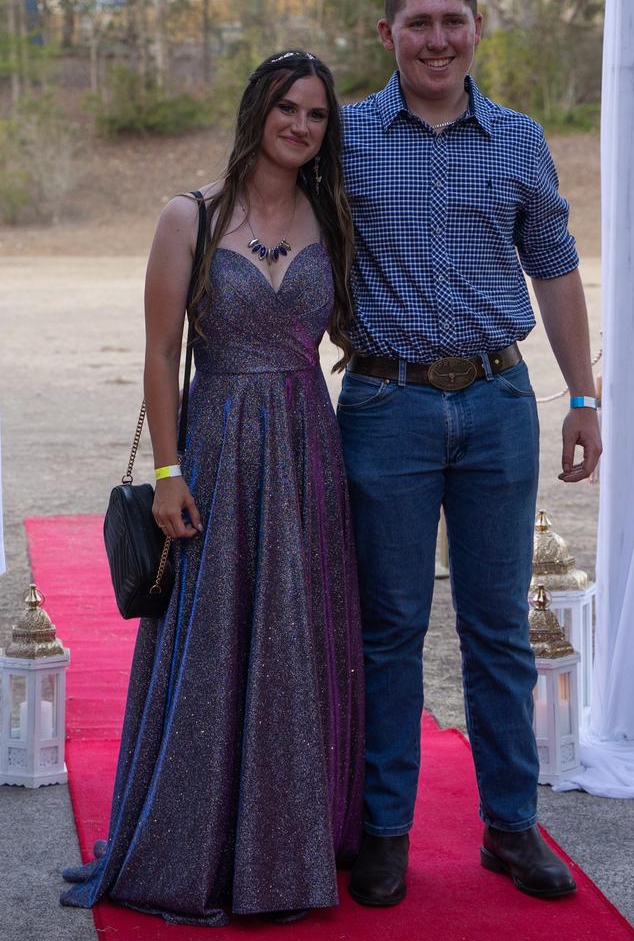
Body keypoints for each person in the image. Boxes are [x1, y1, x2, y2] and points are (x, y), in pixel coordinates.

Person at [60, 50, 364, 926]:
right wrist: (167, 471)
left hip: (308, 448)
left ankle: (289, 846)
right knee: (214, 640)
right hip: (217, 446)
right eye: (288, 109)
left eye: (316, 115)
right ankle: (197, 841)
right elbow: (159, 351)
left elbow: (350, 320)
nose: (302, 126)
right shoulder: (189, 215)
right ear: (257, 111)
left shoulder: (332, 216)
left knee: (297, 641)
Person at [337, 0, 602, 906]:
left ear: (477, 28)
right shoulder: (346, 137)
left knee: (498, 631)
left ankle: (511, 829)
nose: (437, 38)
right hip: (385, 408)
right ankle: (382, 833)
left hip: (497, 405)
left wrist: (581, 398)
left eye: (452, 19)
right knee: (389, 632)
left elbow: (556, 269)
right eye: (419, 24)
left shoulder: (522, 140)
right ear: (388, 38)